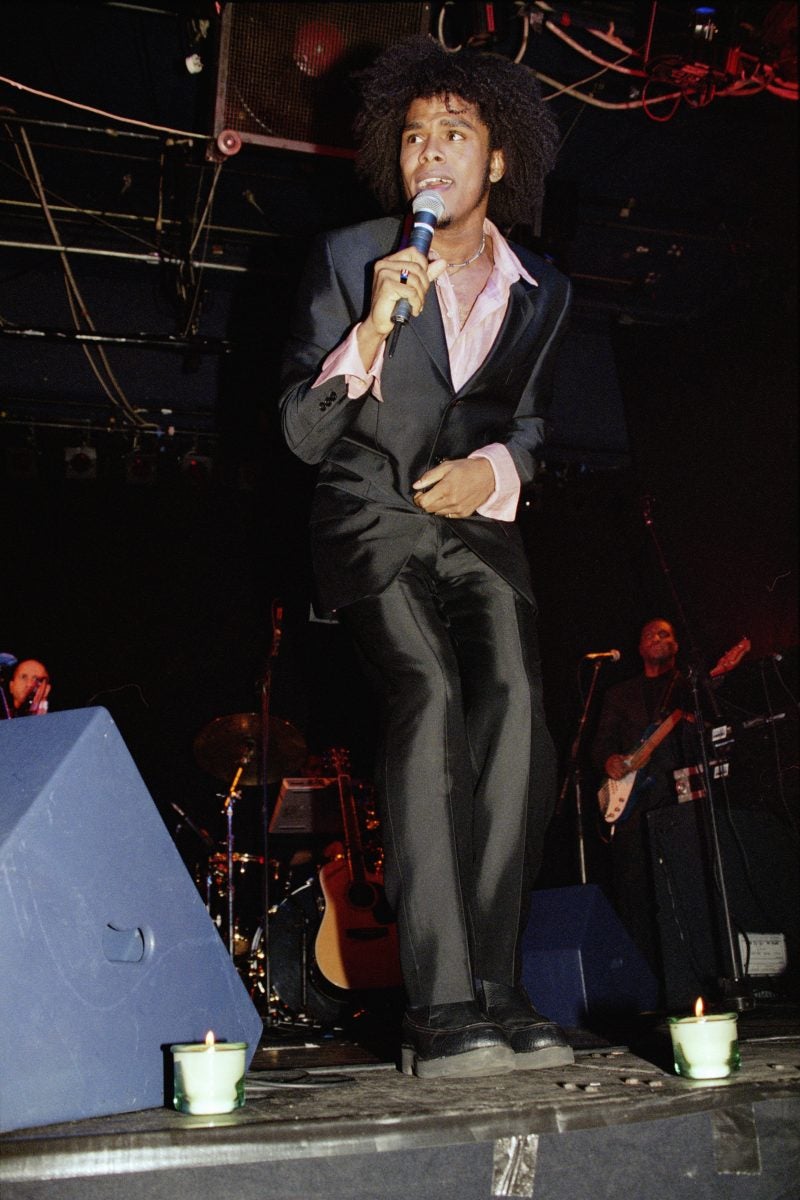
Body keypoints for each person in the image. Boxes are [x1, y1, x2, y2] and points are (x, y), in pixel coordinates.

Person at [279, 36, 574, 1078]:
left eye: (454, 134)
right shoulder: (348, 255)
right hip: (370, 523)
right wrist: (368, 331)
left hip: (478, 528)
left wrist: (492, 469)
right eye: (413, 137)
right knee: (430, 695)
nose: (429, 153)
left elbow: (529, 428)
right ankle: (441, 1004)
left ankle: (496, 985)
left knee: (518, 711)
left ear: (498, 158)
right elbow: (300, 433)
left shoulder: (543, 288)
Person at [591, 619, 693, 979]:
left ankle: (687, 975)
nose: (657, 637)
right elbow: (600, 744)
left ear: (676, 645)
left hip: (678, 800)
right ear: (639, 648)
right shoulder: (620, 694)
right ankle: (643, 978)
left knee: (681, 889)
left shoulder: (687, 687)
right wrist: (609, 760)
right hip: (633, 809)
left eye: (666, 633)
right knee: (635, 895)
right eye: (650, 633)